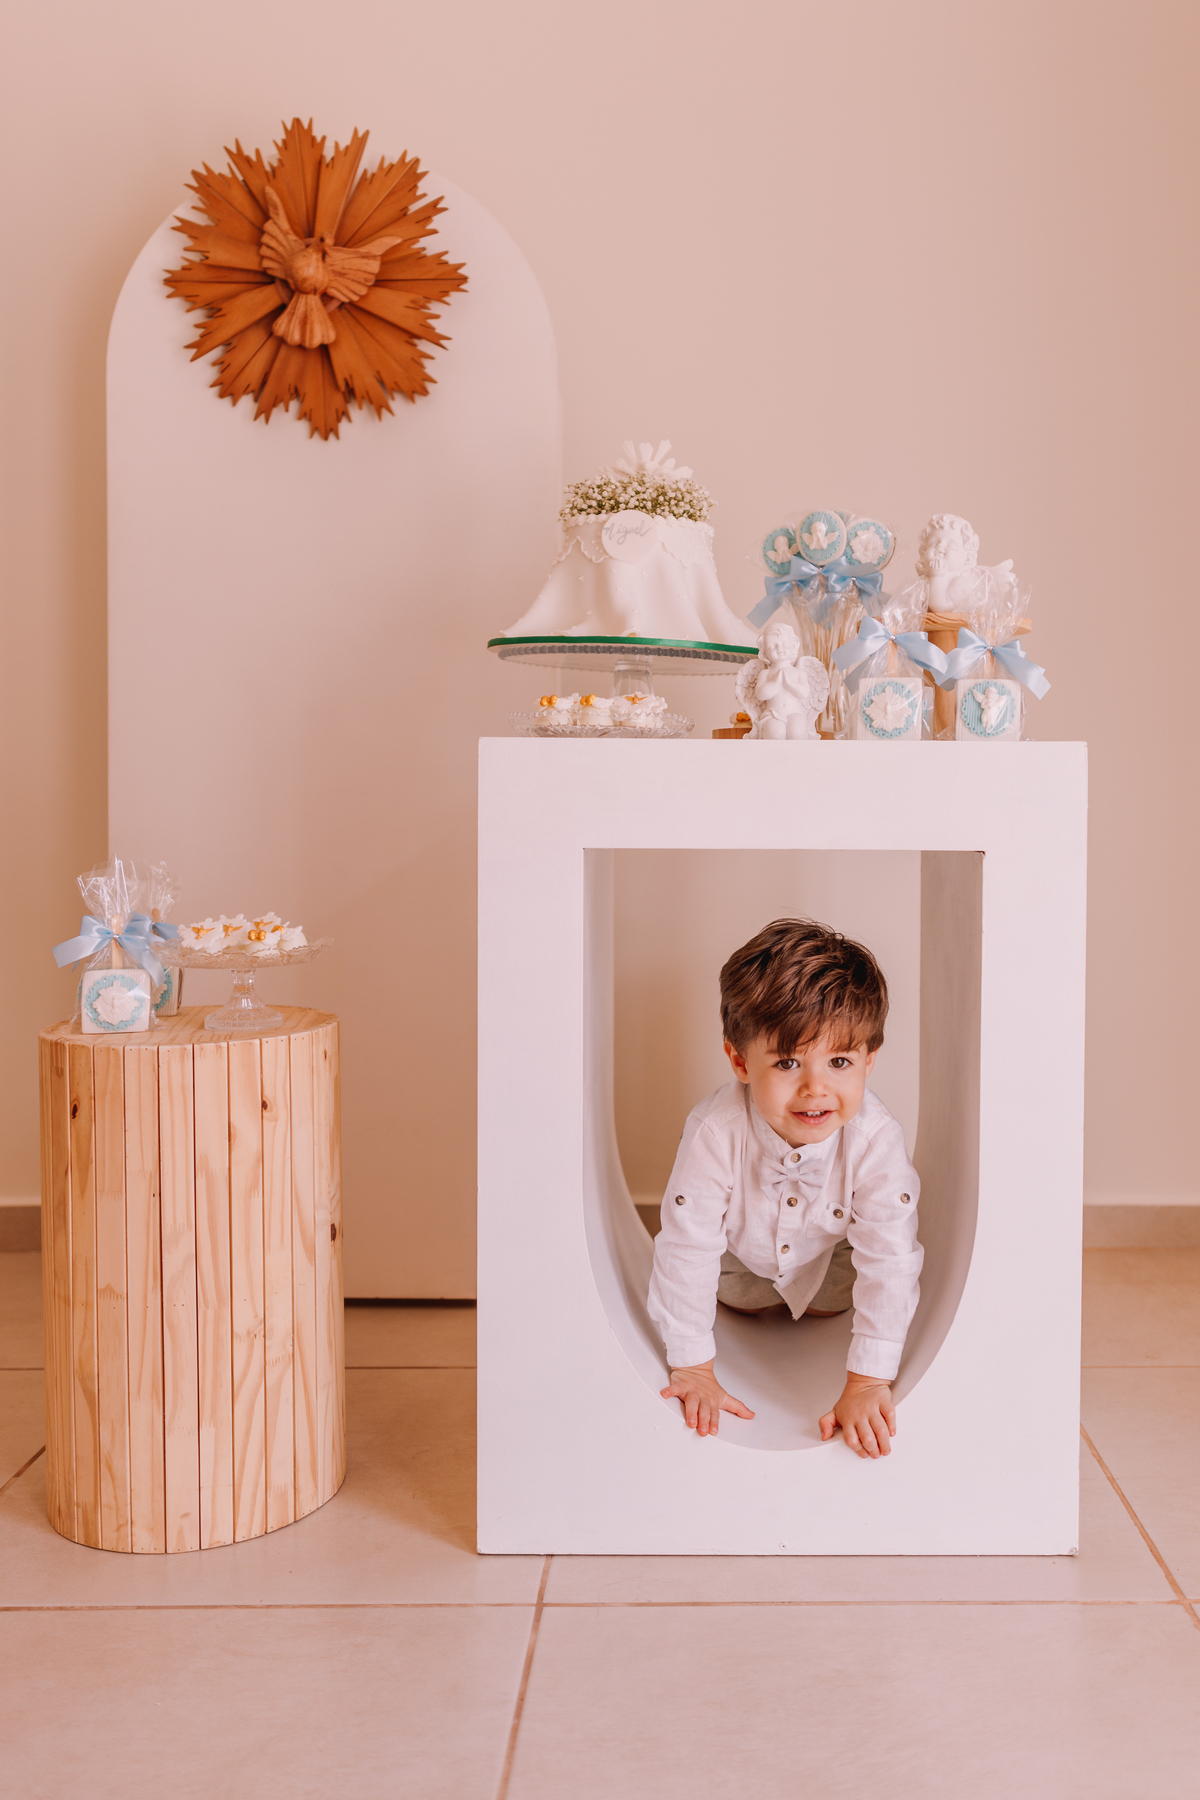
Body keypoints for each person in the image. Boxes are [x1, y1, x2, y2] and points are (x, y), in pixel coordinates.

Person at [647, 918, 922, 1459]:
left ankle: (815, 1306)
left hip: (831, 1260)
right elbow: (687, 1244)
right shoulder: (715, 1130)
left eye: (839, 1062)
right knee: (739, 1300)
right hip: (739, 1259)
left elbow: (889, 1255)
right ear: (741, 1061)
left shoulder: (875, 1137)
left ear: (869, 1061)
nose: (816, 1088)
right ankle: (753, 1305)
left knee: (833, 1302)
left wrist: (868, 1380)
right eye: (788, 1062)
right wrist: (693, 1366)